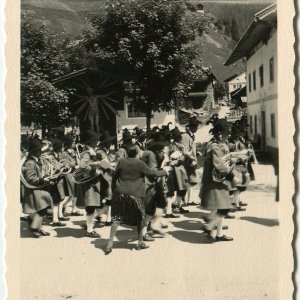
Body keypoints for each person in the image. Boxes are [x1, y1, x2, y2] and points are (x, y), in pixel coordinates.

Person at [104, 146, 169, 254]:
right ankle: (140, 242)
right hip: (135, 194)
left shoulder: (121, 161)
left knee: (116, 219)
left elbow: (115, 176)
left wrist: (114, 190)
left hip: (120, 193)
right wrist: (164, 172)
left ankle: (110, 243)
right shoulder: (140, 163)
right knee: (140, 217)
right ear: (137, 154)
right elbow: (151, 173)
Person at [200, 119, 239, 242]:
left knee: (223, 207)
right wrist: (232, 177)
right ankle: (209, 225)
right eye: (227, 133)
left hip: (220, 182)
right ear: (220, 134)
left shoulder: (221, 145)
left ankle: (218, 232)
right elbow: (219, 165)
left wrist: (233, 160)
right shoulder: (215, 148)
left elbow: (225, 160)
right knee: (224, 208)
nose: (229, 135)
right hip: (215, 183)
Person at [78, 130, 114, 237]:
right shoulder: (86, 153)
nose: (97, 141)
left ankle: (88, 224)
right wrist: (95, 169)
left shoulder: (92, 151)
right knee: (91, 205)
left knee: (99, 204)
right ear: (92, 141)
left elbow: (99, 163)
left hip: (95, 181)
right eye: (95, 140)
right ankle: (89, 229)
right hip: (90, 182)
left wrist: (107, 165)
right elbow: (83, 166)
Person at [22, 137, 53, 237]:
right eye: (39, 150)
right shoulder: (30, 162)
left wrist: (47, 178)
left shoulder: (36, 160)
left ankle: (35, 222)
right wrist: (43, 180)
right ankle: (34, 228)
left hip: (38, 188)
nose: (41, 152)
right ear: (34, 152)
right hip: (33, 189)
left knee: (43, 208)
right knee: (42, 208)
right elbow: (31, 178)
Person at [180, 116, 201, 206]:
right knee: (190, 181)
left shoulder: (190, 135)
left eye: (196, 126)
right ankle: (186, 200)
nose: (196, 128)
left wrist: (196, 153)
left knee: (191, 181)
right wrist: (192, 158)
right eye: (195, 126)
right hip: (187, 163)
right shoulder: (185, 136)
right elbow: (184, 150)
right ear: (191, 126)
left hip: (191, 162)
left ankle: (187, 200)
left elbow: (191, 149)